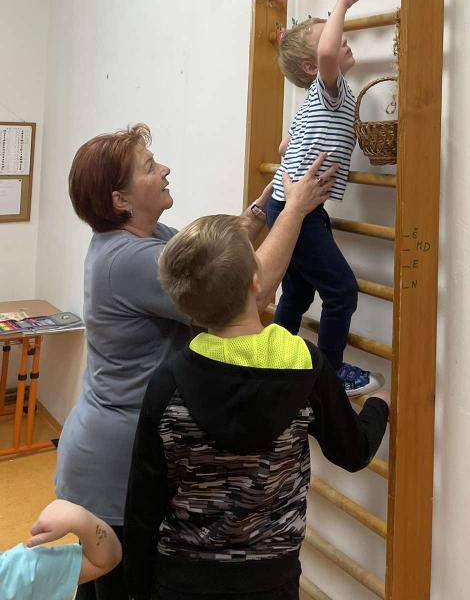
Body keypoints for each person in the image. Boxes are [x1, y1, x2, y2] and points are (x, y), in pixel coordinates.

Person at [55, 123, 337, 600]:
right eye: (149, 167)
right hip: (114, 461)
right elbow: (251, 289)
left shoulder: (145, 236)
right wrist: (294, 208)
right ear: (121, 200)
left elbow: (218, 259)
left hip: (119, 445)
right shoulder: (128, 259)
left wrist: (263, 206)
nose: (164, 169)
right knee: (120, 589)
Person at [124, 213, 389, 600]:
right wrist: (379, 406)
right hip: (272, 578)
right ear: (255, 281)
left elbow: (143, 502)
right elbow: (352, 451)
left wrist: (135, 588)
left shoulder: (168, 382)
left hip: (182, 577)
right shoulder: (304, 366)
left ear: (187, 308)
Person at [269, 0, 381, 395]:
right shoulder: (329, 90)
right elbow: (329, 50)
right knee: (341, 291)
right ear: (313, 67)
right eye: (330, 35)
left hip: (295, 208)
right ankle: (328, 373)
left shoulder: (320, 100)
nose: (341, 38)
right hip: (298, 211)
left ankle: (275, 360)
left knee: (297, 295)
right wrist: (341, 4)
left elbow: (286, 144)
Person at [0, 499, 121, 600]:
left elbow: (103, 559)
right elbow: (103, 561)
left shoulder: (15, 573)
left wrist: (81, 520)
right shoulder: (17, 574)